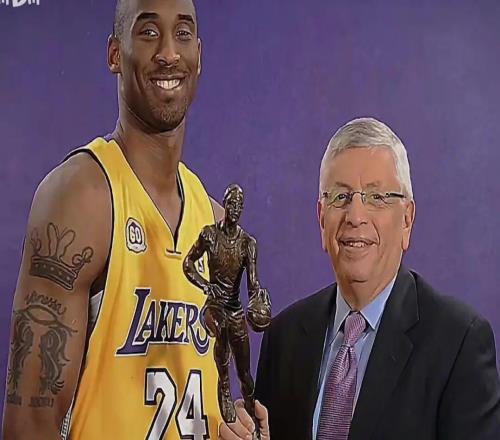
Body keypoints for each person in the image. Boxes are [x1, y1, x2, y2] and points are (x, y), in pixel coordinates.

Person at [2, 0, 227, 438]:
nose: (169, 52)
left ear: (198, 56)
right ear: (114, 54)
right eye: (148, 32)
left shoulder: (213, 220)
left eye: (182, 34)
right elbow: (29, 424)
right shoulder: (81, 197)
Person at [220, 117, 500, 440]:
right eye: (340, 197)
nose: (355, 216)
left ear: (407, 220)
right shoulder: (284, 338)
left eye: (376, 197)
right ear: (321, 219)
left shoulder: (458, 343)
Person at [183, 184, 271, 439]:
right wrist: (205, 285)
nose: (235, 209)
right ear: (225, 204)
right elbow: (188, 263)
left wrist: (258, 300)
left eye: (239, 206)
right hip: (214, 306)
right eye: (231, 204)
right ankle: (223, 383)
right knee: (220, 329)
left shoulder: (247, 244)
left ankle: (251, 409)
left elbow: (252, 284)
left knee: (244, 373)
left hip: (234, 310)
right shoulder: (209, 235)